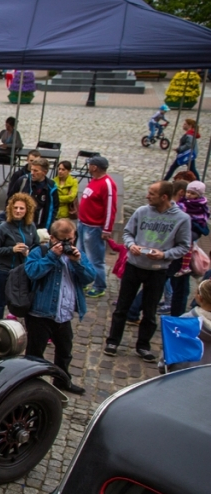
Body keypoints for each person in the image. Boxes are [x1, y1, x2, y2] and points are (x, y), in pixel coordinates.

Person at [105, 181, 192, 362]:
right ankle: (113, 341)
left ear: (164, 197)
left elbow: (184, 246)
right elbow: (128, 233)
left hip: (157, 270)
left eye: (152, 193)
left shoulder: (182, 219)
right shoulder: (141, 212)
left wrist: (164, 254)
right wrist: (131, 245)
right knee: (122, 306)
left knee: (150, 311)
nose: (147, 196)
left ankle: (143, 345)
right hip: (134, 265)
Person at [21, 218, 94, 395]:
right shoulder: (40, 251)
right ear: (53, 238)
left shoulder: (76, 255)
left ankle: (62, 380)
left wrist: (77, 262)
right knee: (35, 352)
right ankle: (31, 383)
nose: (69, 243)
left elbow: (90, 277)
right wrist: (52, 256)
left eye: (72, 239)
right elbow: (32, 272)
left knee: (64, 351)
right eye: (65, 240)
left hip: (64, 314)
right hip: (40, 314)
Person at [0, 193, 40, 321]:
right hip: (3, 270)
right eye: (15, 207)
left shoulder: (31, 226)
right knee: (1, 300)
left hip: (22, 271)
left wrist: (28, 252)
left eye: (21, 208)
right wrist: (12, 249)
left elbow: (37, 245)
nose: (18, 211)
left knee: (23, 299)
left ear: (27, 210)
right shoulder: (3, 227)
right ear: (10, 209)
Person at [76, 156, 118, 299]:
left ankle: (99, 285)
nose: (88, 167)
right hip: (83, 224)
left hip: (94, 227)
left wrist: (107, 229)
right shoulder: (94, 180)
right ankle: (84, 280)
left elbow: (110, 208)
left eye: (90, 164)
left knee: (95, 259)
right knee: (81, 255)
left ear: (95, 167)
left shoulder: (107, 184)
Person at [7, 158, 57, 231]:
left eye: (35, 171)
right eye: (31, 170)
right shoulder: (23, 181)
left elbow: (52, 210)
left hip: (38, 226)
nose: (32, 173)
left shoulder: (51, 187)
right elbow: (10, 200)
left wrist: (46, 229)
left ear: (44, 172)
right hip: (19, 225)